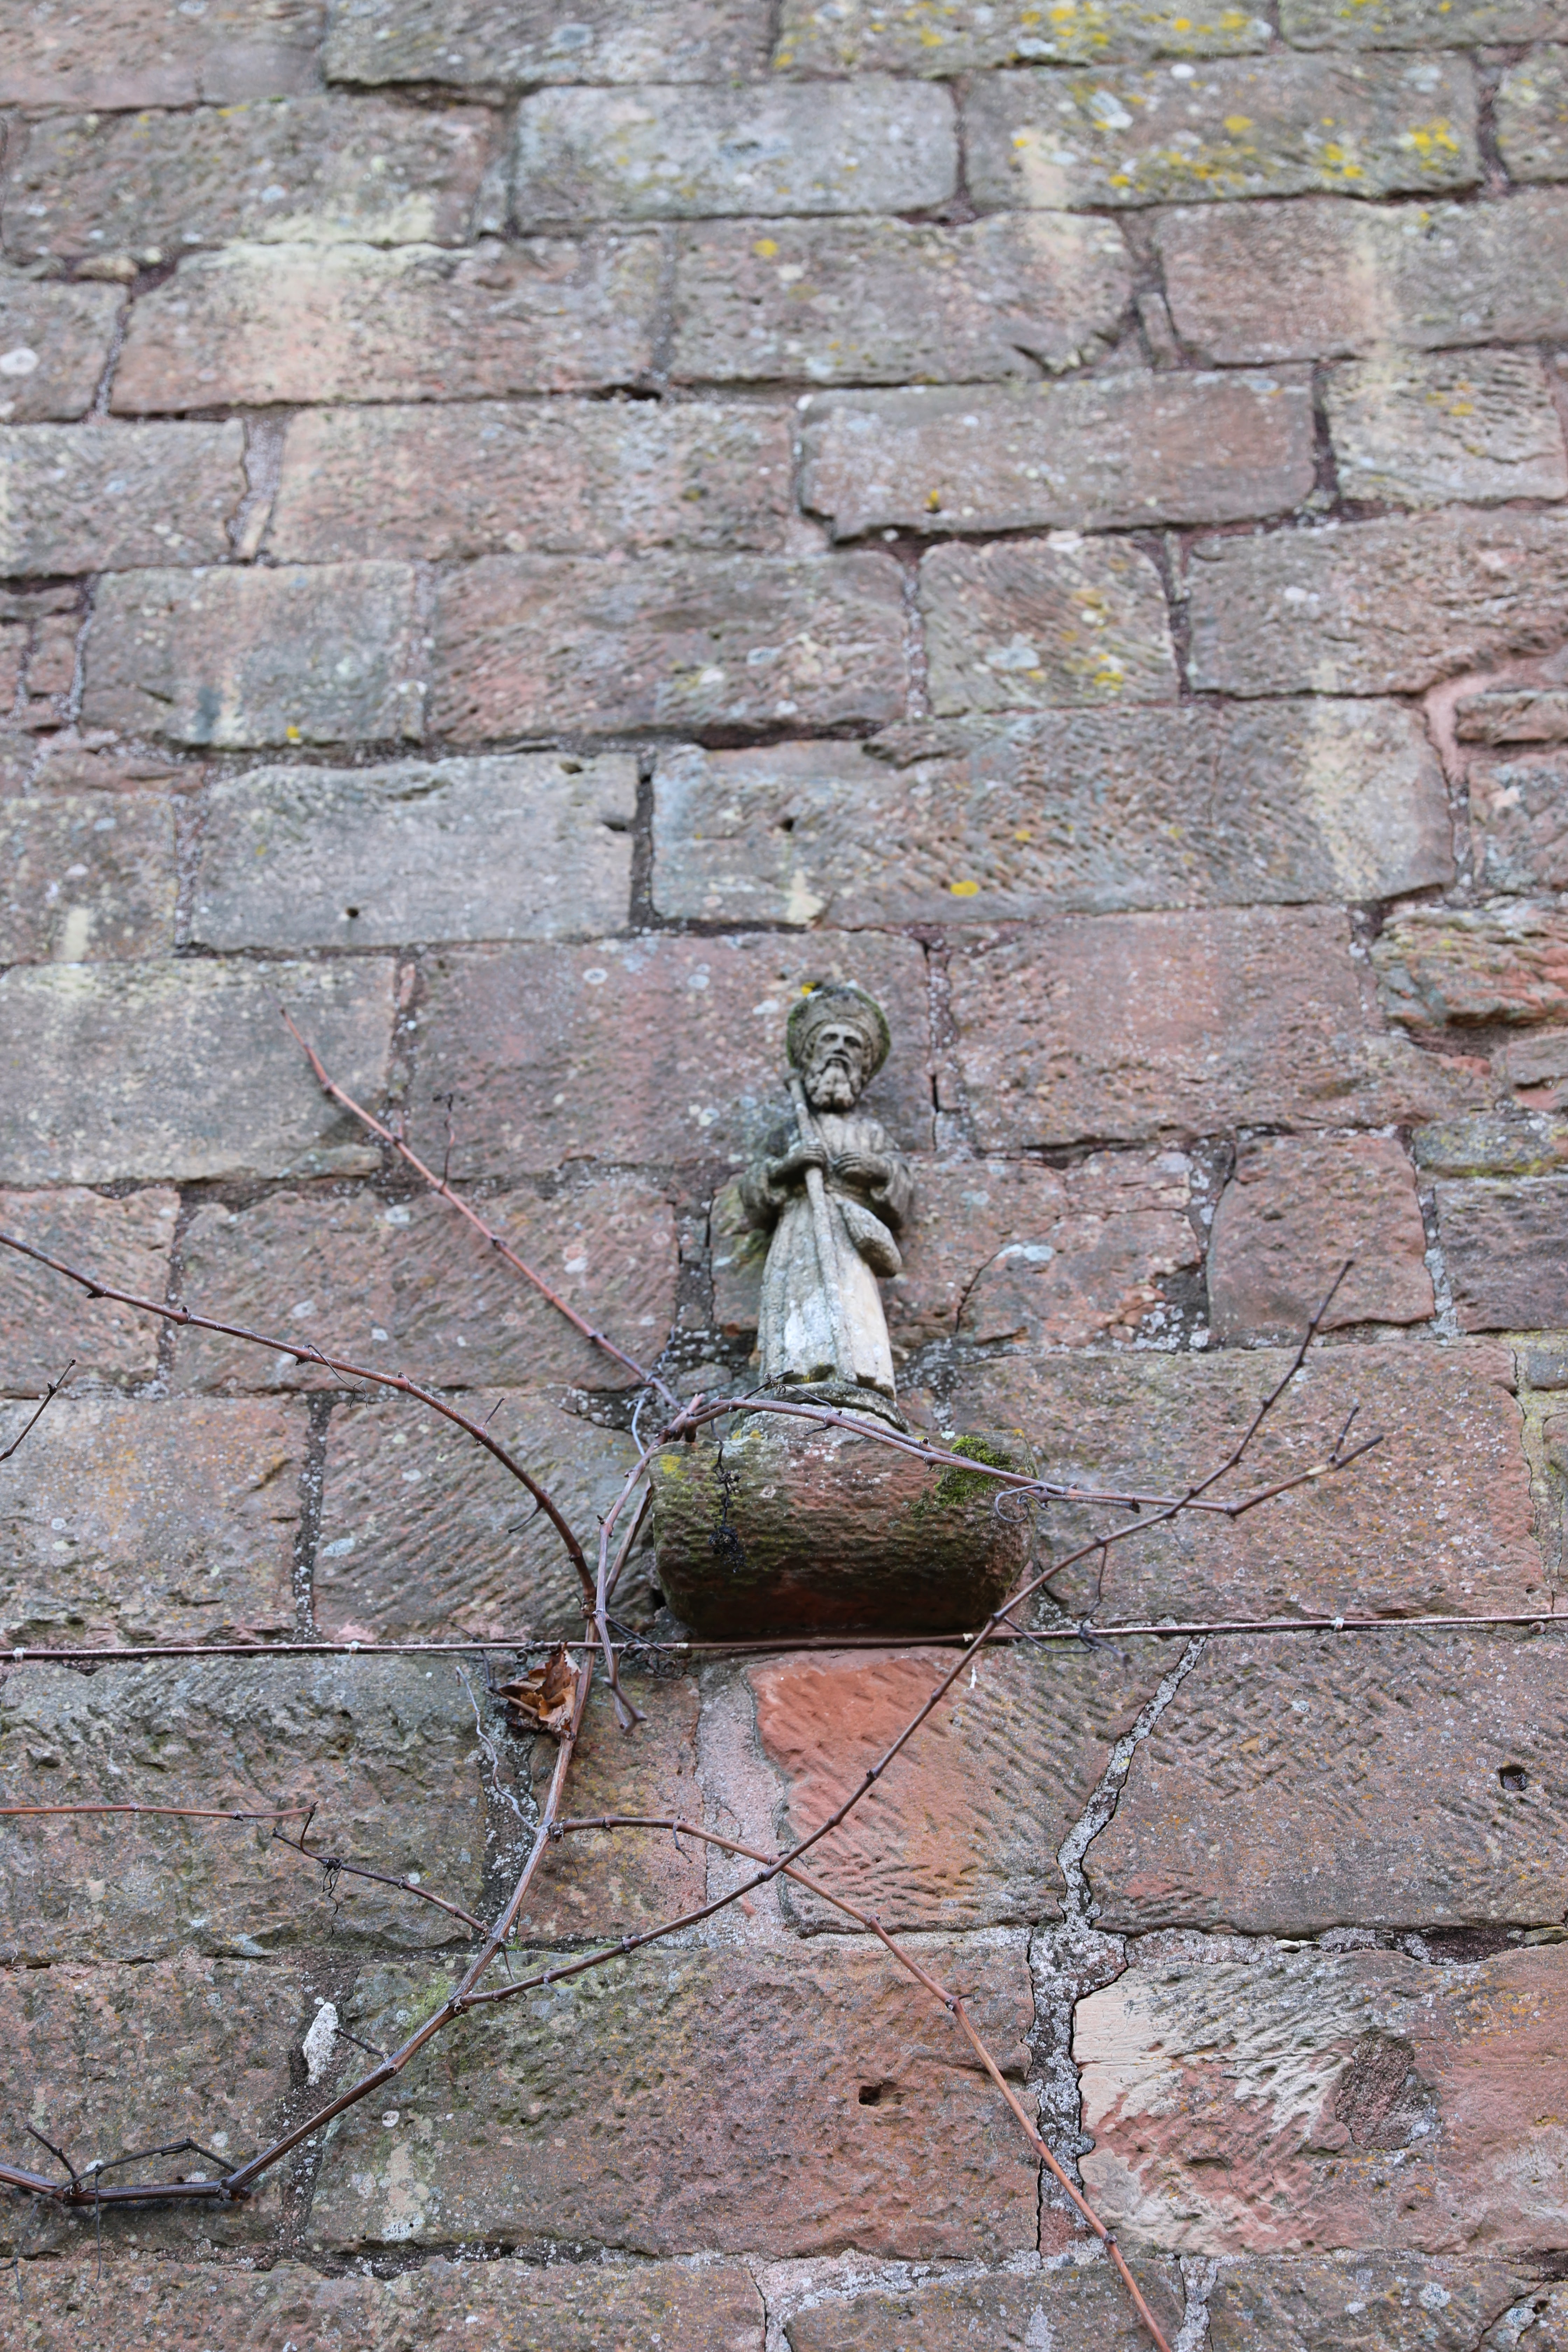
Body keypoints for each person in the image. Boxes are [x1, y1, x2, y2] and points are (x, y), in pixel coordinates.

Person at [737, 981, 913, 1408]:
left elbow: (903, 1187)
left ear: (862, 1065)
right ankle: (790, 1383)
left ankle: (861, 1381)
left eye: (851, 1043)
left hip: (849, 1234)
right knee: (798, 1306)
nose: (839, 1048)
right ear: (811, 1054)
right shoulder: (788, 1132)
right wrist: (787, 1166)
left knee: (853, 1303)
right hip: (799, 1228)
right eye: (829, 1039)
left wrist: (877, 1170)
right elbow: (753, 1192)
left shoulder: (870, 1133)